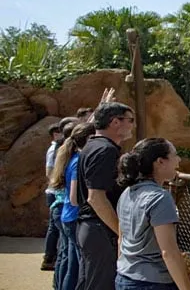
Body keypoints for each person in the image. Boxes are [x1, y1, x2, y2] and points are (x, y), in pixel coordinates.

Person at [115, 138, 190, 290]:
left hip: (124, 276)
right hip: (152, 282)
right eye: (174, 155)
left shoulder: (127, 192)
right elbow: (168, 252)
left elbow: (121, 239)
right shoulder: (159, 198)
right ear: (160, 162)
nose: (178, 160)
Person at [76, 102, 135, 290]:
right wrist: (122, 232)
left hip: (92, 229)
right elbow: (96, 197)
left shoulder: (93, 145)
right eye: (130, 120)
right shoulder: (104, 150)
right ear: (115, 122)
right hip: (99, 229)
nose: (132, 125)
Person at [49, 122, 96, 290]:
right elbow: (74, 198)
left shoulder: (73, 157)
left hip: (68, 216)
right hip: (74, 217)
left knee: (72, 263)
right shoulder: (77, 162)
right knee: (76, 267)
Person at [43, 123, 63, 271]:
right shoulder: (53, 150)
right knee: (54, 227)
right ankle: (49, 257)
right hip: (54, 193)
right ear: (55, 134)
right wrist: (58, 186)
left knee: (54, 227)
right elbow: (49, 171)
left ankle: (50, 257)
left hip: (55, 192)